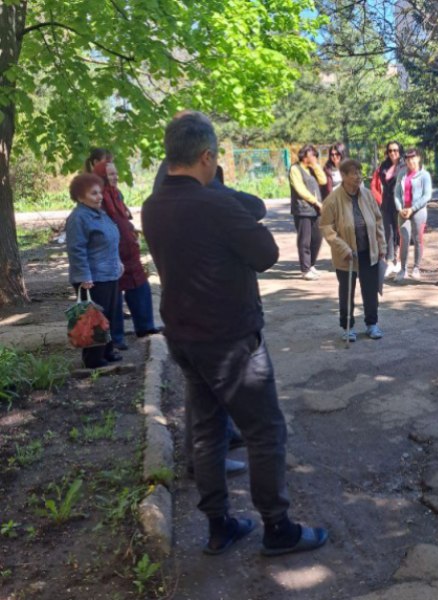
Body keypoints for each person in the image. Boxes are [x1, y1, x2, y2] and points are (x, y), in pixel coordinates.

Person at [142, 112, 327, 556]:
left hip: (183, 338)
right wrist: (226, 200)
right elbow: (265, 254)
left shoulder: (153, 206)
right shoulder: (217, 204)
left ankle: (219, 524)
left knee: (207, 432)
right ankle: (278, 527)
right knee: (265, 432)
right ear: (207, 156)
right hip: (230, 341)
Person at [92, 161, 160, 349]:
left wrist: (131, 230)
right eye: (111, 174)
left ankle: (145, 326)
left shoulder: (116, 194)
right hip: (113, 254)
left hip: (129, 251)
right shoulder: (99, 197)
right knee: (114, 299)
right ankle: (117, 338)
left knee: (140, 287)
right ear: (103, 177)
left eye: (116, 173)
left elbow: (123, 218)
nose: (116, 177)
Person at [320, 159, 387, 341]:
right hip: (347, 256)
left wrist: (382, 246)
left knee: (370, 290)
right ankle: (347, 327)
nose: (358, 176)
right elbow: (326, 227)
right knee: (347, 291)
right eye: (354, 173)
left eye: (359, 172)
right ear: (343, 175)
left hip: (369, 252)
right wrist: (343, 248)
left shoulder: (367, 195)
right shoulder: (332, 200)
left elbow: (378, 221)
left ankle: (372, 324)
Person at [65, 173, 124, 369]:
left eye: (100, 192)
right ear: (80, 197)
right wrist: (84, 276)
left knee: (109, 316)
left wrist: (118, 262)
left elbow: (111, 240)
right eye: (93, 193)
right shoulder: (78, 218)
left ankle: (106, 351)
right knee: (93, 319)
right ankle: (93, 358)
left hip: (110, 273)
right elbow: (76, 249)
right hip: (92, 277)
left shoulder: (100, 213)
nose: (99, 197)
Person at [289, 144, 327, 280]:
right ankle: (305, 269)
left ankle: (311, 264)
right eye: (312, 155)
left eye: (315, 155)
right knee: (304, 240)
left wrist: (316, 165)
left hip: (315, 210)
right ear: (304, 155)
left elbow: (323, 180)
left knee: (317, 237)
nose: (314, 157)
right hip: (302, 209)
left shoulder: (312, 169)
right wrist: (315, 201)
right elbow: (300, 189)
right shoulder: (295, 169)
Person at [393, 148, 431, 282]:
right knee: (404, 238)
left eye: (413, 158)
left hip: (418, 212)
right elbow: (397, 193)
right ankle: (403, 269)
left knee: (417, 239)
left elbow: (427, 195)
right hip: (403, 212)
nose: (410, 161)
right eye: (408, 159)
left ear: (418, 158)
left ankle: (416, 268)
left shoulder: (424, 175)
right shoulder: (402, 173)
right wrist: (399, 208)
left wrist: (413, 209)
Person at [370, 141, 404, 275]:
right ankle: (390, 260)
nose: (393, 153)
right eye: (390, 151)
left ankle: (401, 261)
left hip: (400, 204)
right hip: (386, 203)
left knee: (401, 233)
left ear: (400, 151)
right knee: (388, 233)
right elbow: (375, 185)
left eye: (395, 150)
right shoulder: (383, 166)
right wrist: (380, 199)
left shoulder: (404, 165)